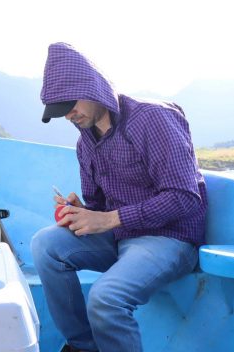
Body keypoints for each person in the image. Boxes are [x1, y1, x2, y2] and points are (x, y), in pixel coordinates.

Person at [30, 43, 207, 352]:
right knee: (45, 244)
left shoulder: (153, 119)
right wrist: (82, 212)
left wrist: (110, 219)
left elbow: (185, 197)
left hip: (169, 239)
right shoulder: (84, 143)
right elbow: (99, 208)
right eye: (61, 111)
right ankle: (84, 346)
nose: (69, 115)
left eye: (71, 104)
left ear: (93, 88)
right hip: (119, 237)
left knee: (106, 297)